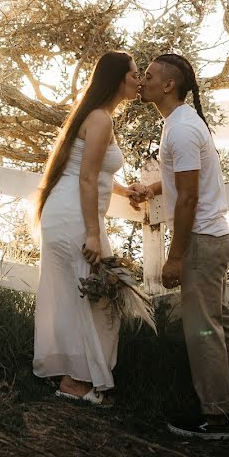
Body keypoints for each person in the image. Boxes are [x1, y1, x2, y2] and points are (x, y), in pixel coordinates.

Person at [132, 53, 229, 439]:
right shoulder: (179, 123)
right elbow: (185, 182)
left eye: (149, 76)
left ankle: (216, 417)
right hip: (211, 237)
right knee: (220, 320)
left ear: (169, 85)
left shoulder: (182, 129)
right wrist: (151, 188)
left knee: (202, 329)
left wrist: (175, 256)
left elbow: (187, 199)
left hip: (201, 241)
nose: (142, 81)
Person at [32, 51, 142, 406]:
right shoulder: (99, 119)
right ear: (118, 80)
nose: (139, 81)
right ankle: (77, 382)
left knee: (79, 296)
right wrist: (94, 234)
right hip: (74, 218)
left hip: (70, 213)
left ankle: (73, 376)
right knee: (91, 297)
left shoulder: (97, 116)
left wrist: (127, 191)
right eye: (134, 75)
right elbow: (86, 176)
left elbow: (95, 168)